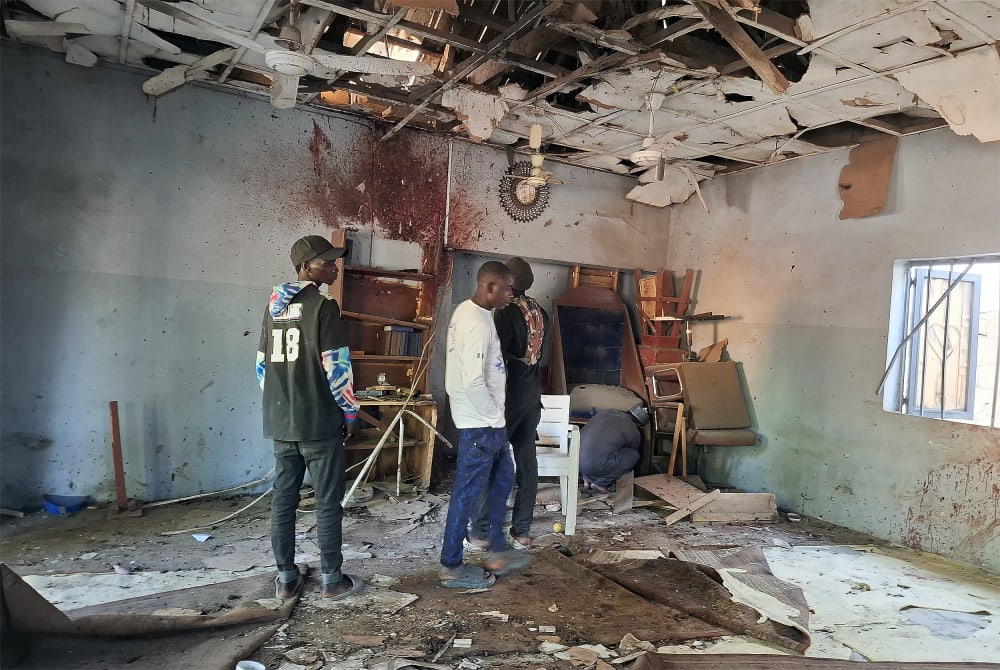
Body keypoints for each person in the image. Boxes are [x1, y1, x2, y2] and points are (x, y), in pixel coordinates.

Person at [256, 234, 364, 601]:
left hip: (281, 422)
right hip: (318, 422)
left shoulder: (272, 308)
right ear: (305, 268)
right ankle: (332, 579)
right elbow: (336, 366)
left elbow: (260, 367)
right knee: (327, 500)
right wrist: (350, 410)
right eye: (326, 262)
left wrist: (280, 403)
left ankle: (286, 578)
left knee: (283, 499)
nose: (334, 268)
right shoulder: (323, 306)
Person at [439, 261, 527, 589]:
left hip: (482, 419)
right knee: (467, 491)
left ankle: (491, 545)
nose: (510, 296)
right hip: (481, 422)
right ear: (489, 287)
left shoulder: (469, 312)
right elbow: (472, 380)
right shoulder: (476, 322)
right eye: (507, 290)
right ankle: (451, 566)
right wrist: (492, 419)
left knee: (501, 479)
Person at [467, 257, 547, 551]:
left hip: (507, 396)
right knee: (527, 462)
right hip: (531, 395)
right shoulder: (540, 312)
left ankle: (480, 533)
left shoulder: (504, 314)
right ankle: (522, 532)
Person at [578, 403, 650, 493]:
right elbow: (633, 447)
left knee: (592, 450)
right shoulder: (632, 428)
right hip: (594, 464)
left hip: (575, 461)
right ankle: (600, 483)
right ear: (638, 424)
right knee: (633, 455)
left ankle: (586, 478)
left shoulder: (607, 412)